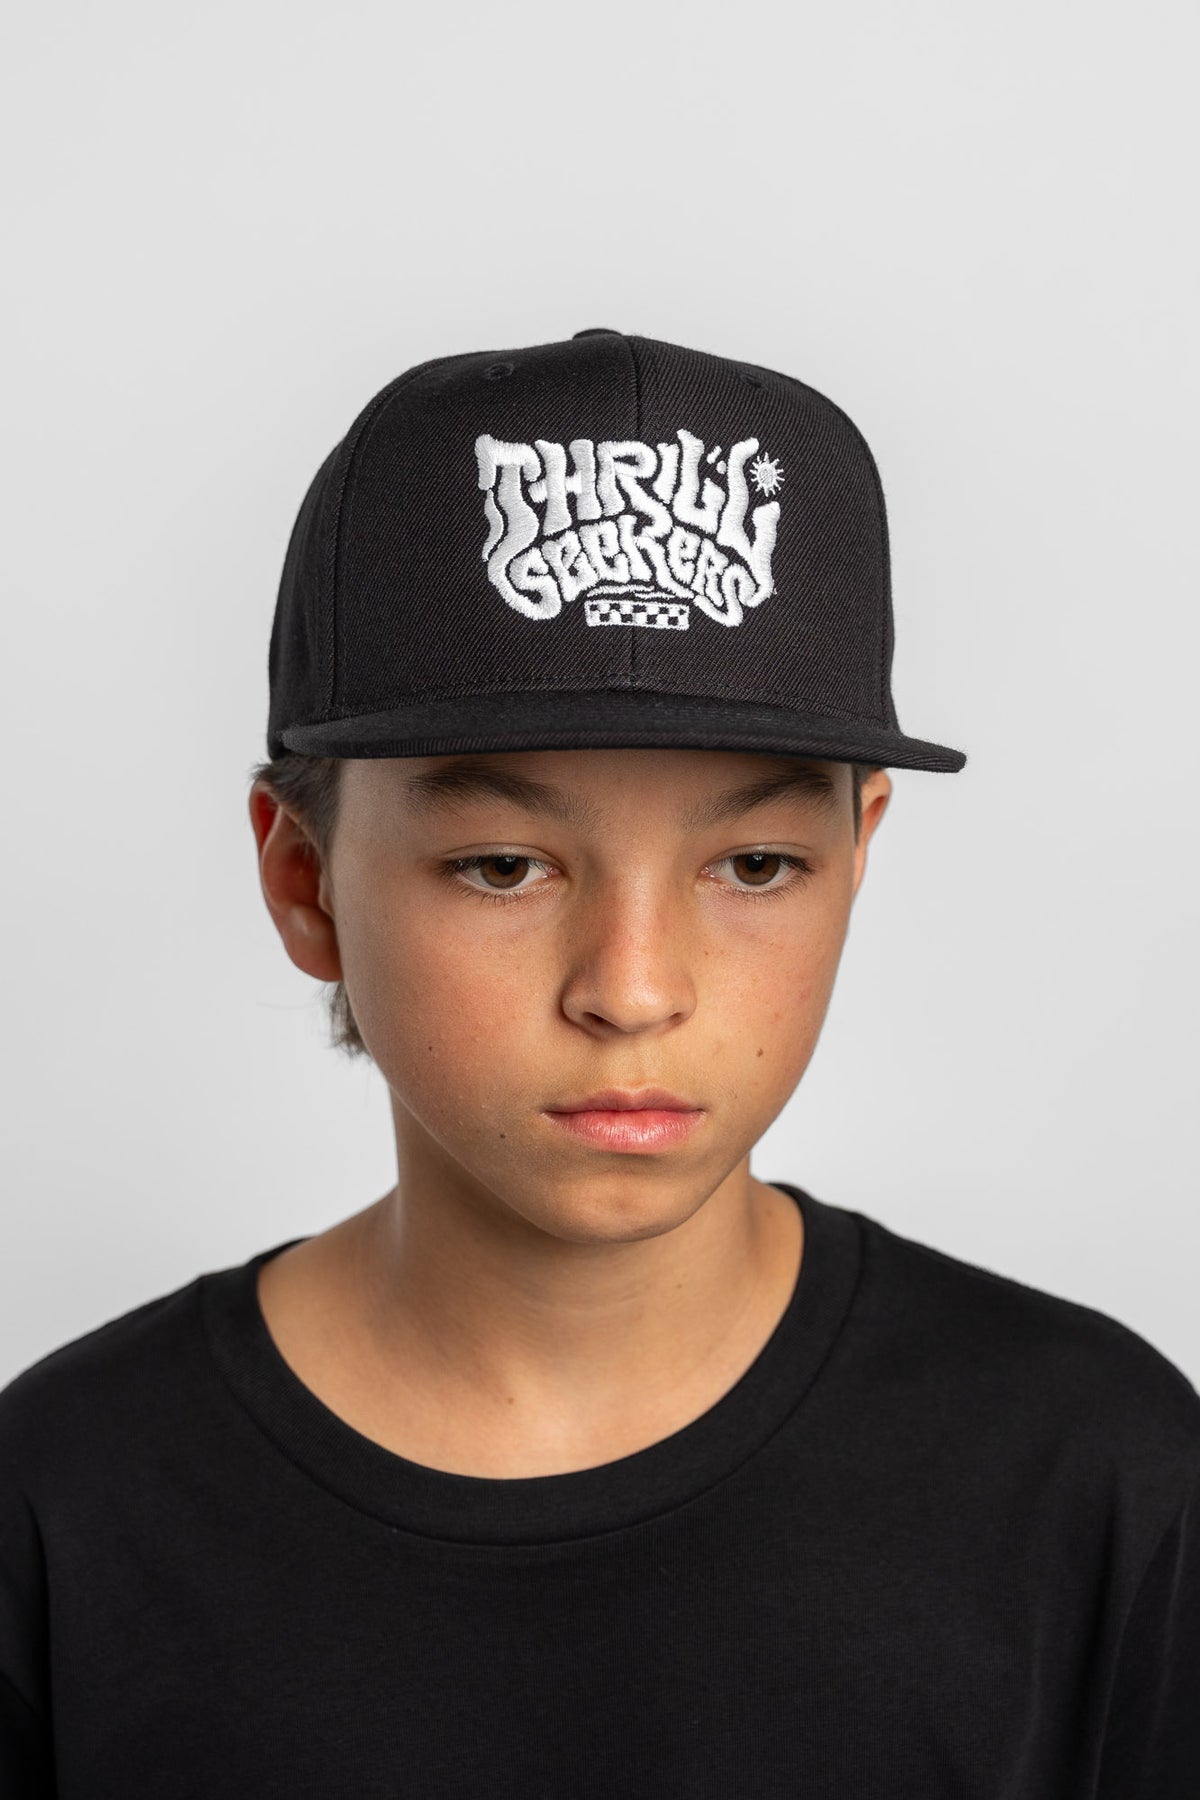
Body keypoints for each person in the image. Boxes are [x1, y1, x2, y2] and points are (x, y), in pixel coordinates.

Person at [2, 328, 1196, 1797]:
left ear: (857, 855)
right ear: (305, 881)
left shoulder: (1099, 1477)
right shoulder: (62, 1503)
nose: (633, 991)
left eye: (753, 865)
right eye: (504, 866)